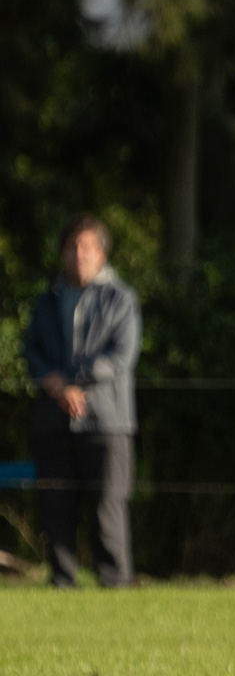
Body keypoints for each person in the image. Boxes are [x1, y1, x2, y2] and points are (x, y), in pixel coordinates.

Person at [22, 215, 140, 588]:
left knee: (108, 505)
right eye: (72, 247)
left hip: (107, 420)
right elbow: (31, 351)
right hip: (54, 419)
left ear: (102, 252)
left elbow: (121, 356)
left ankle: (115, 581)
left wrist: (73, 384)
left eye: (87, 246)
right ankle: (61, 580)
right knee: (56, 506)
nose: (79, 254)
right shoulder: (47, 299)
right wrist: (54, 386)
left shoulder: (121, 298)